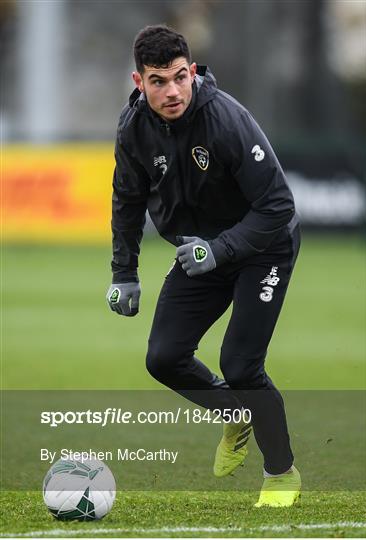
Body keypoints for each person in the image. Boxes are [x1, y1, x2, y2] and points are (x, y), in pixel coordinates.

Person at [106, 24, 301, 507]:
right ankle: (235, 415)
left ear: (192, 71)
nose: (171, 91)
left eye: (179, 77)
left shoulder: (227, 120)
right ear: (139, 81)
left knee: (240, 364)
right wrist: (124, 272)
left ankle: (280, 473)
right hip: (199, 253)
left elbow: (278, 206)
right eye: (158, 81)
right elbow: (127, 200)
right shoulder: (133, 129)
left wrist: (221, 249)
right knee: (163, 359)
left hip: (264, 248)